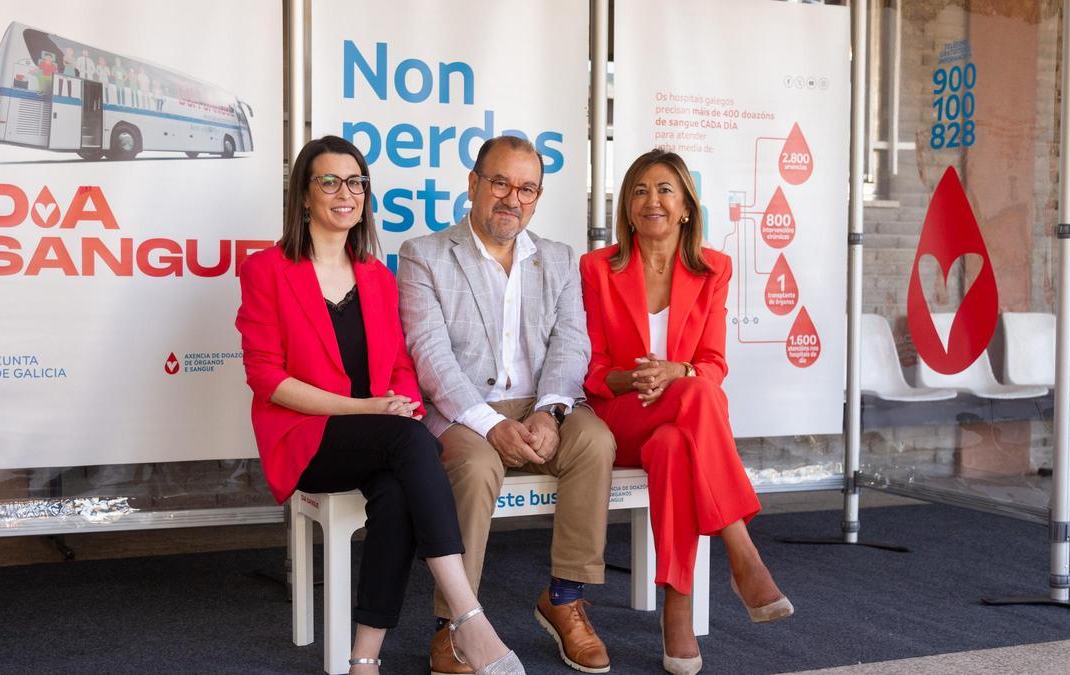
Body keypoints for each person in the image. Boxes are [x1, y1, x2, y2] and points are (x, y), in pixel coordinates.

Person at [236, 136, 524, 675]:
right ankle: (468, 615)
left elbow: (399, 367)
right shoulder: (266, 271)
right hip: (305, 437)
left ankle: (364, 657)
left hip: (374, 434)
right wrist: (366, 409)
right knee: (412, 442)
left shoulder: (375, 274)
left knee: (396, 491)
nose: (345, 193)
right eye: (329, 181)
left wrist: (402, 404)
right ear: (304, 194)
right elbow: (267, 378)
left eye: (356, 182)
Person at [399, 136, 616, 675]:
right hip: (465, 408)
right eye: (500, 182)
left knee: (596, 441)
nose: (511, 198)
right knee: (472, 467)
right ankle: (454, 626)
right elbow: (431, 357)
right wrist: (491, 424)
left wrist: (552, 410)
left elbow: (571, 343)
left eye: (526, 188)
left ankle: (565, 598)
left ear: (538, 197)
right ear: (473, 185)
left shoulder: (561, 259)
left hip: (541, 404)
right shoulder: (424, 254)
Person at [579, 149, 794, 675]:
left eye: (665, 190)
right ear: (627, 209)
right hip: (621, 416)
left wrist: (679, 373)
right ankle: (741, 549)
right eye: (639, 191)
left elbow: (713, 364)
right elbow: (594, 372)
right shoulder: (597, 268)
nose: (652, 200)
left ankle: (677, 608)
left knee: (678, 441)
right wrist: (640, 378)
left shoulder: (714, 269)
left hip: (679, 418)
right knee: (698, 398)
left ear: (686, 209)